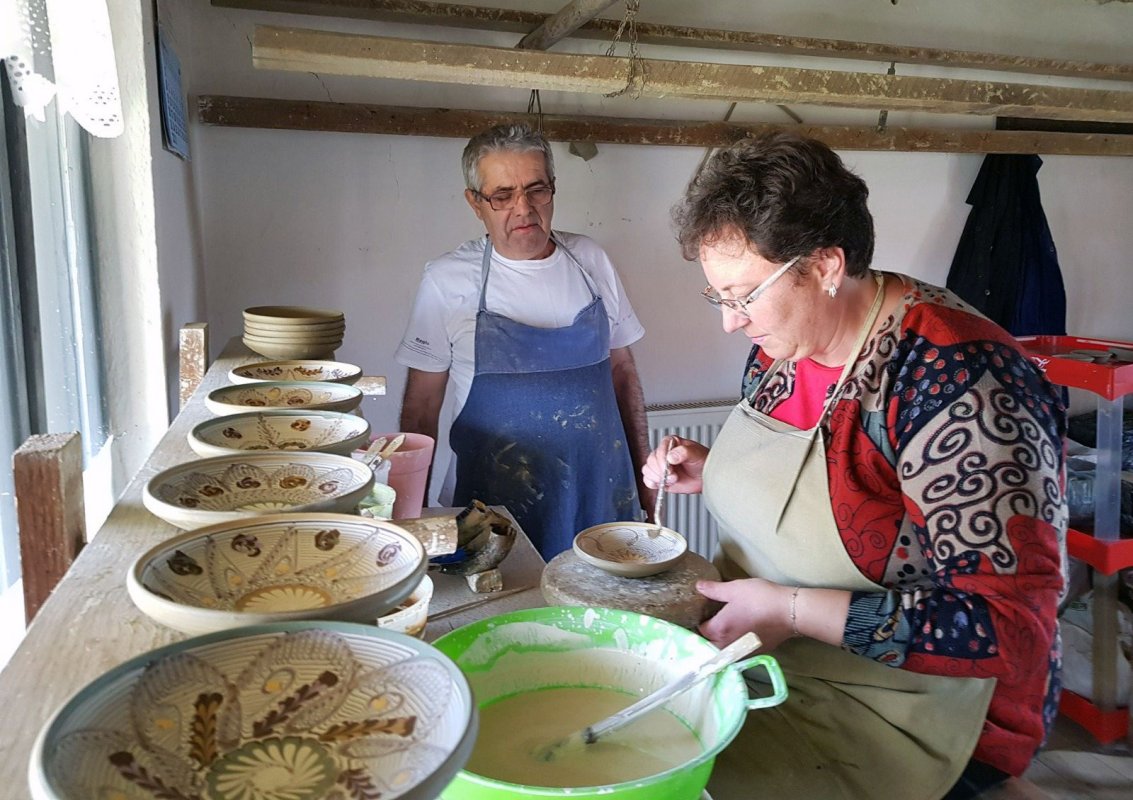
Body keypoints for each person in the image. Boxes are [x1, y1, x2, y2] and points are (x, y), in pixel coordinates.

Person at [643, 132, 1066, 800]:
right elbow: (830, 478)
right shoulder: (781, 344)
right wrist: (715, 468)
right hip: (772, 656)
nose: (729, 322)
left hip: (907, 709)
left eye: (742, 294)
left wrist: (786, 609)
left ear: (825, 265)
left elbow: (1009, 631)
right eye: (717, 296)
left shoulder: (959, 380)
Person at [395, 122, 653, 560]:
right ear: (475, 203)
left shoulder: (590, 261)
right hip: (494, 514)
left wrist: (646, 487)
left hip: (601, 500)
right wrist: (407, 515)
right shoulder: (447, 280)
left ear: (552, 189)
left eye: (537, 190)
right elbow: (421, 407)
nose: (523, 208)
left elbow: (623, 374)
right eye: (502, 195)